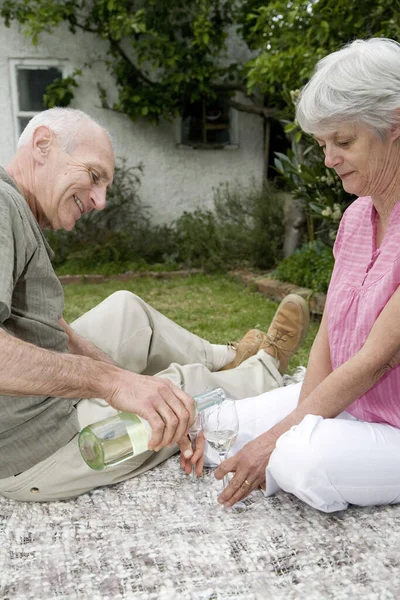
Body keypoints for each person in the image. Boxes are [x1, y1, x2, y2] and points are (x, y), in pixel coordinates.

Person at [0, 107, 309, 502]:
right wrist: (113, 383)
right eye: (95, 177)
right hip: (34, 444)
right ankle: (267, 369)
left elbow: (40, 324)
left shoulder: (15, 204)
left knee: (127, 311)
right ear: (43, 145)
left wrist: (110, 372)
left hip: (35, 403)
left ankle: (227, 358)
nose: (100, 201)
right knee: (173, 393)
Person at [200, 37, 400, 513]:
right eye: (323, 143)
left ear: (395, 125)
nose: (329, 159)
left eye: (343, 142)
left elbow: (377, 360)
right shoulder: (355, 220)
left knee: (298, 457)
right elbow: (330, 336)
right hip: (355, 407)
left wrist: (282, 437)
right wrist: (297, 417)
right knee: (215, 426)